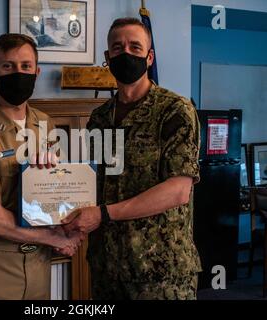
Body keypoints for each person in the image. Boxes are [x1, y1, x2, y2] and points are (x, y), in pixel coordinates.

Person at [62, 18, 202, 300]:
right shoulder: (99, 118)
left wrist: (103, 214)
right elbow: (93, 183)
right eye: (118, 47)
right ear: (107, 58)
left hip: (160, 273)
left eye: (135, 47)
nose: (126, 53)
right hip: (107, 268)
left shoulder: (174, 111)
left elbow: (178, 191)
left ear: (149, 57)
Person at [0, 33, 81, 300]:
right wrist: (54, 238)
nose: (18, 73)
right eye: (7, 66)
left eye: (25, 66)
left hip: (38, 264)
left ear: (37, 72)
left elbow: (55, 200)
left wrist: (66, 225)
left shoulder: (45, 124)